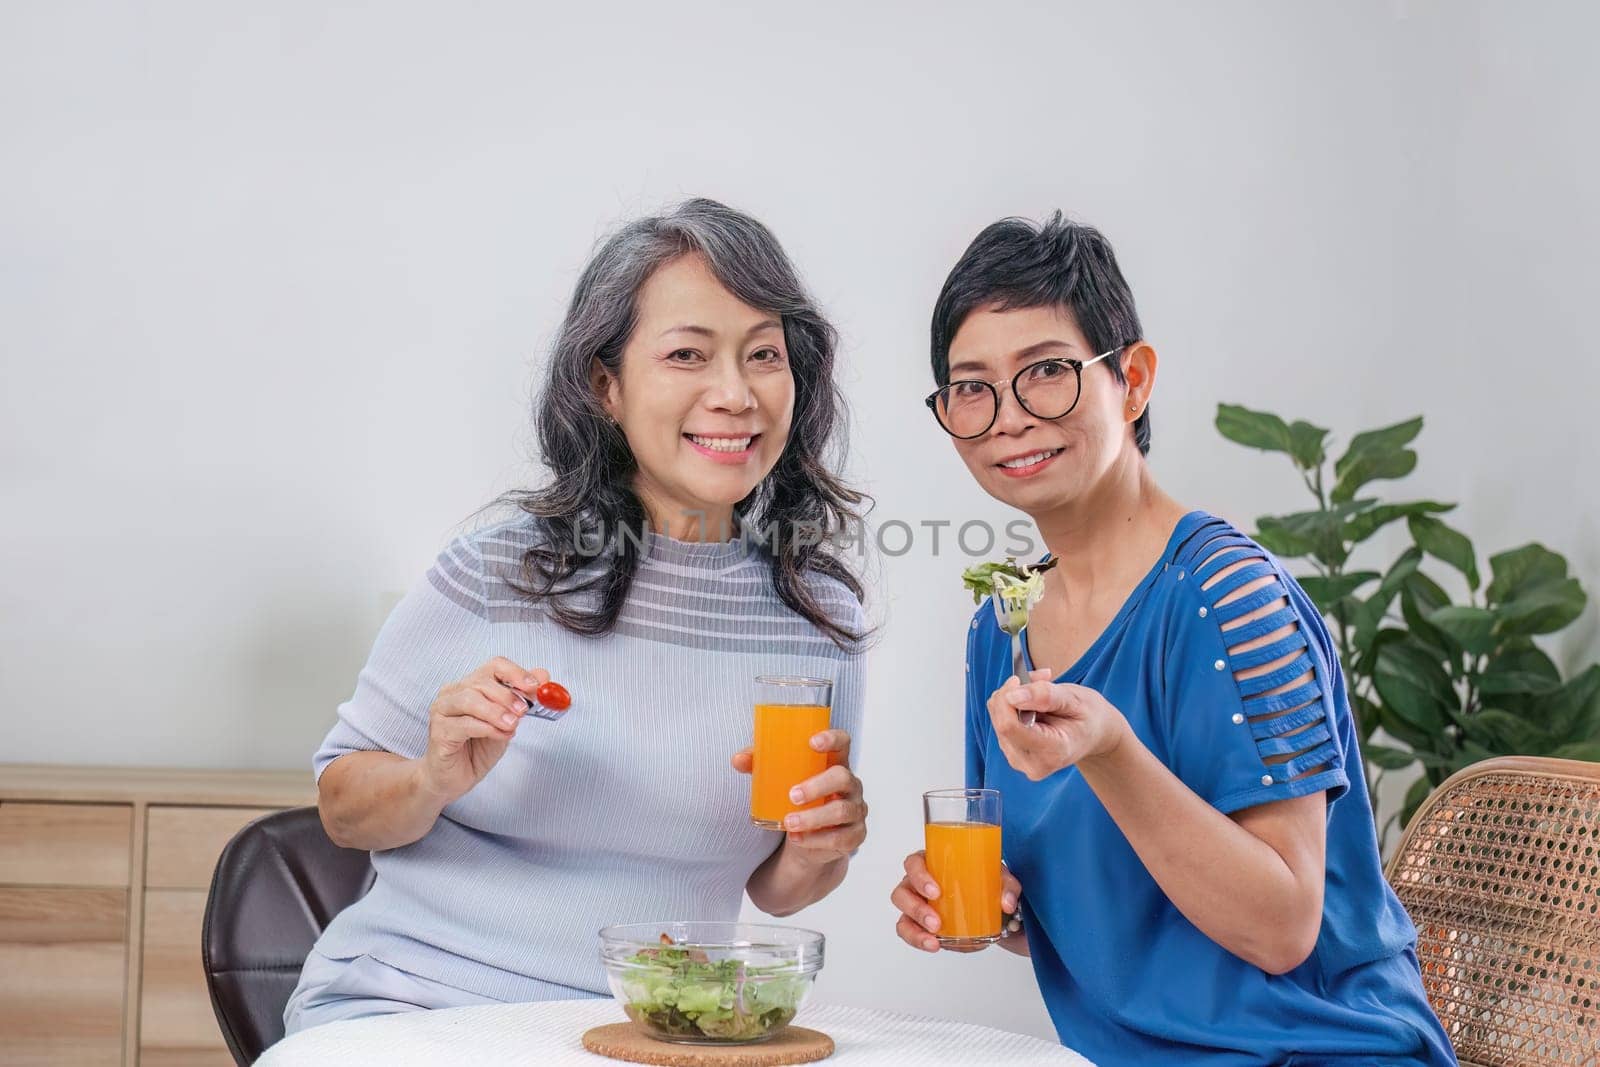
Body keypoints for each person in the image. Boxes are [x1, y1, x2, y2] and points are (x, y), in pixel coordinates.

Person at [283, 199, 870, 1034]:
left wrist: (822, 844)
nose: (735, 394)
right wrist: (432, 777)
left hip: (660, 1026)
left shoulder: (817, 616)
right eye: (687, 355)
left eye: (764, 355)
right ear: (606, 385)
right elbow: (342, 807)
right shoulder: (495, 573)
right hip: (417, 1005)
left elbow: (777, 883)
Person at [890, 212, 1456, 1065]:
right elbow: (1098, 908)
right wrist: (980, 910)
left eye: (1046, 372)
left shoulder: (1230, 598)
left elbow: (1282, 927)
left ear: (1134, 380)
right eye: (971, 388)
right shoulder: (999, 627)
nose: (1008, 417)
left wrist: (1110, 749)